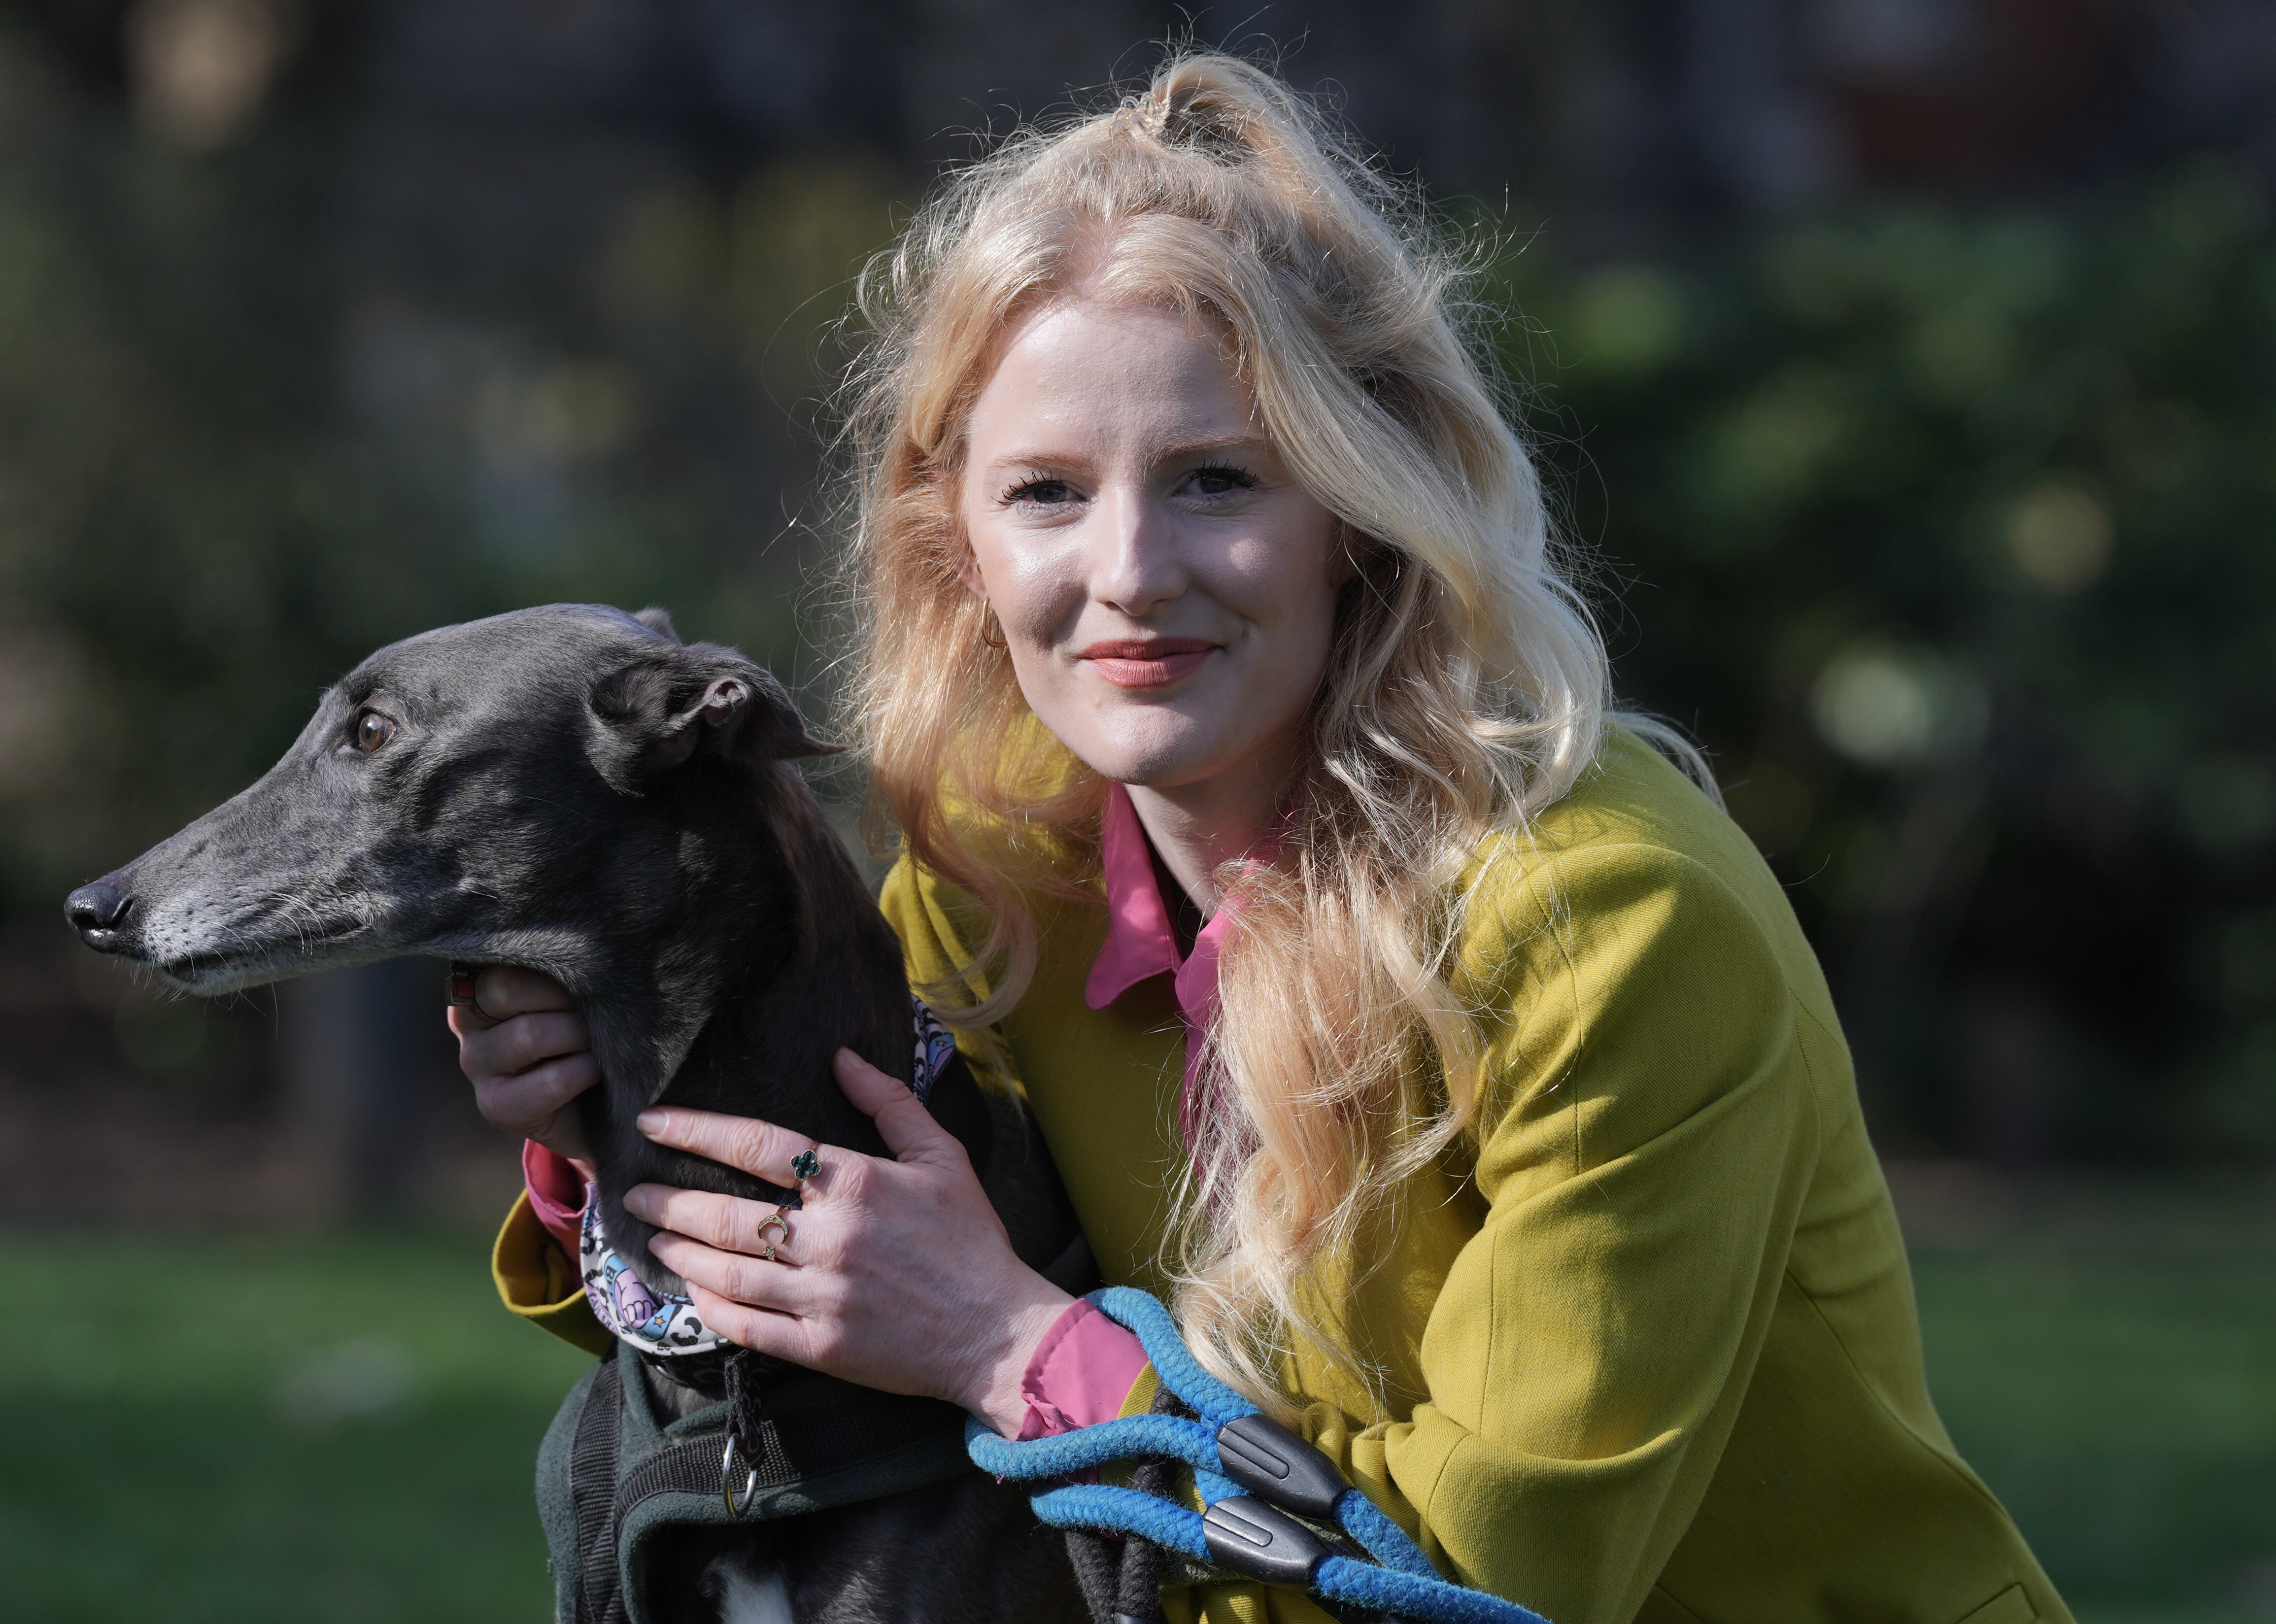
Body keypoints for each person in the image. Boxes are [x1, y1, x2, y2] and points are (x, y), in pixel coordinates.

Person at [454, 53, 2071, 1624]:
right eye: (1046, 492)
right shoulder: (995, 875)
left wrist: (1010, 1350)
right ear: (957, 541)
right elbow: (853, 1340)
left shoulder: (1616, 923)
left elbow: (1477, 1588)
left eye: (1218, 479)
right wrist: (617, 1127)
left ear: (1358, 513)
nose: (1130, 572)